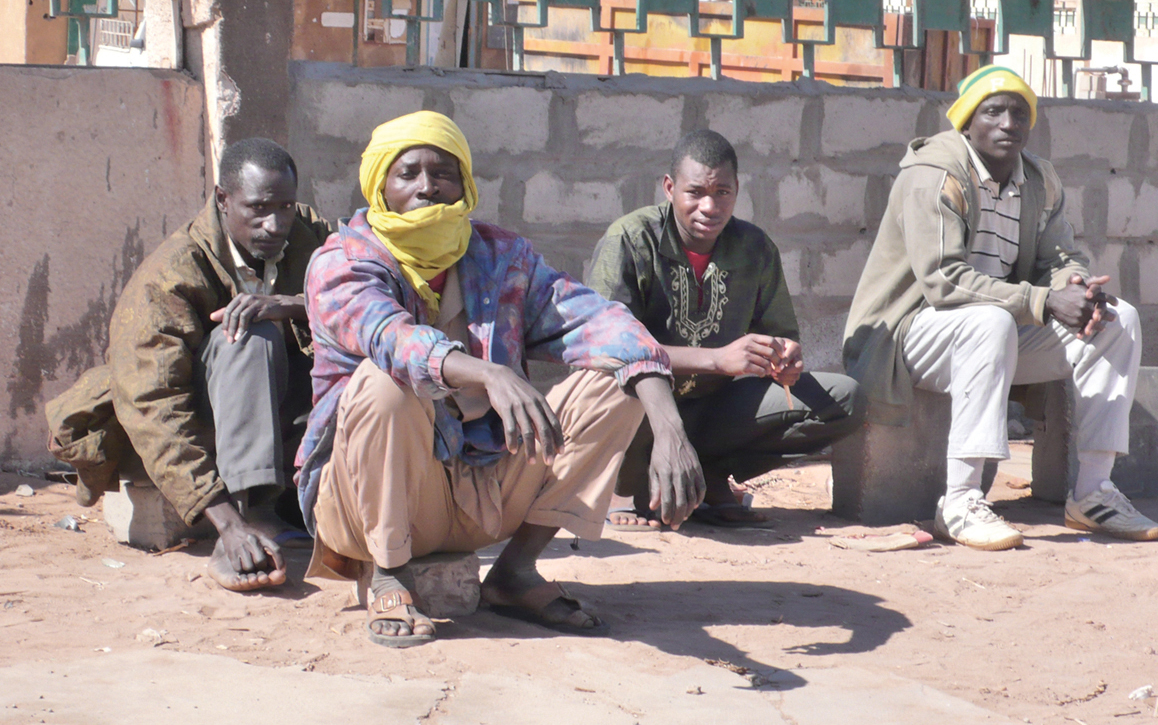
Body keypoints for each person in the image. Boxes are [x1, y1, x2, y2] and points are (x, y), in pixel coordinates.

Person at [297, 111, 702, 648]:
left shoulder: (501, 257)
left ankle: (514, 574)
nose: (426, 186)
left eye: (442, 172)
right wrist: (489, 374)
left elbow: (602, 324)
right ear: (379, 186)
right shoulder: (341, 261)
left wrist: (670, 427)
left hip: (480, 488)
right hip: (369, 500)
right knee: (384, 381)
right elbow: (393, 340)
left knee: (616, 383)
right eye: (408, 173)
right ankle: (390, 575)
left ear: (463, 182)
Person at [842, 64, 1158, 550]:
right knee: (989, 321)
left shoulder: (1037, 178)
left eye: (1019, 113)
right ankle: (961, 501)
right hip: (905, 337)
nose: (1008, 123)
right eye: (993, 111)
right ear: (966, 122)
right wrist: (1044, 300)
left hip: (993, 333)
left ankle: (1094, 492)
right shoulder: (935, 173)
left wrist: (1075, 287)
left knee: (1118, 319)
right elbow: (943, 282)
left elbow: (1059, 255)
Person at [46, 137, 332, 590]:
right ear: (222, 199)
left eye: (285, 206)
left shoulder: (309, 234)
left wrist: (294, 305)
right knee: (245, 335)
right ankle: (249, 512)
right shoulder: (171, 276)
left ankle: (295, 506)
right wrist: (225, 523)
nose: (275, 223)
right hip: (200, 433)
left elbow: (360, 302)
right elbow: (153, 409)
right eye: (258, 208)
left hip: (283, 427)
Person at [588, 129, 861, 531]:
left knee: (844, 398)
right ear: (669, 188)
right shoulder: (631, 239)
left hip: (709, 412)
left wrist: (785, 359)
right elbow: (607, 347)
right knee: (617, 384)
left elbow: (781, 335)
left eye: (723, 193)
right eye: (695, 192)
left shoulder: (754, 248)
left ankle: (710, 473)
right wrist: (715, 359)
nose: (709, 206)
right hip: (639, 411)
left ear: (737, 191)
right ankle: (624, 485)